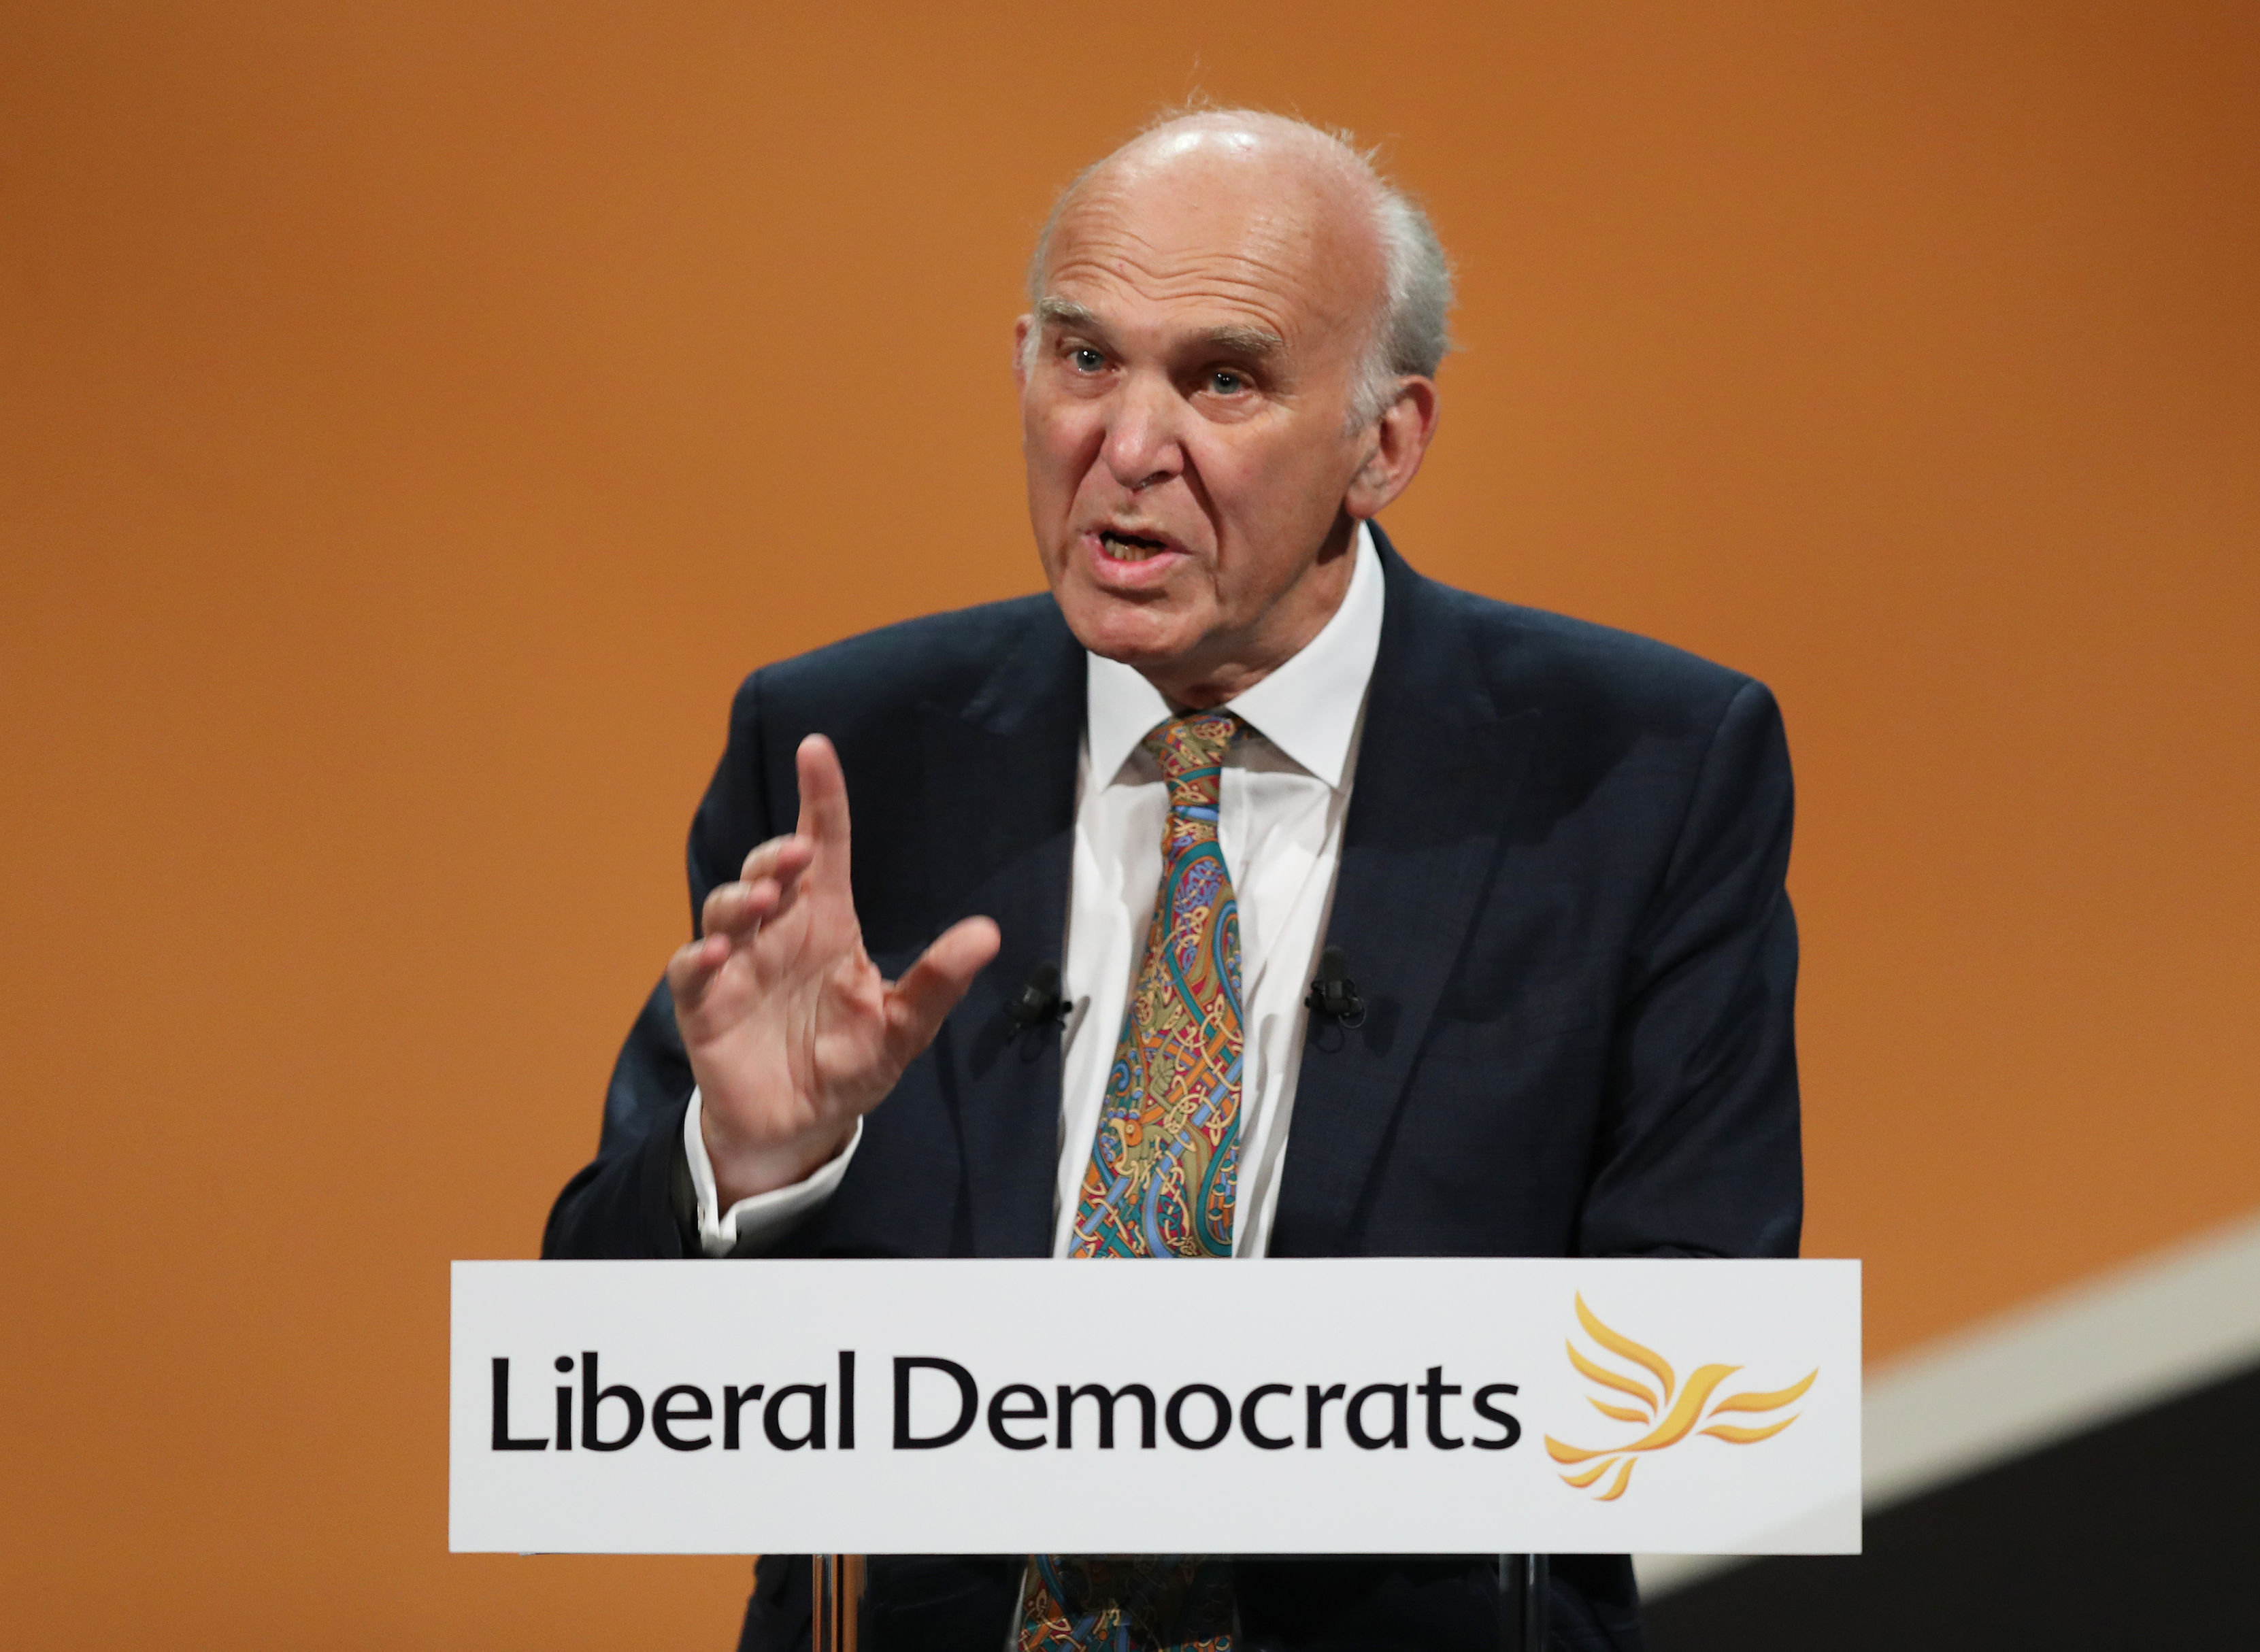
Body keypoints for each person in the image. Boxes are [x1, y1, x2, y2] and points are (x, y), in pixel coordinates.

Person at [544, 107, 1800, 1652]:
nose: (1126, 447)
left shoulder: (1635, 774)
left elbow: (1702, 1397)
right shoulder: (848, 752)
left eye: (1223, 378)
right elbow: (603, 1390)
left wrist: (1172, 1409)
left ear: (1384, 442)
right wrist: (750, 1169)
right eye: (1082, 359)